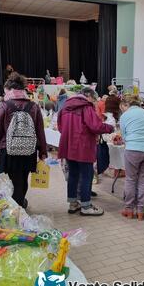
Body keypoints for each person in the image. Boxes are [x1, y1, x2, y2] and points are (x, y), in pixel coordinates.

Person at [0, 72, 47, 208]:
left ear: (9, 89)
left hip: (9, 149)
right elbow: (40, 130)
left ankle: (18, 207)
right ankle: (21, 201)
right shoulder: (33, 106)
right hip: (29, 149)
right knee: (23, 177)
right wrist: (43, 151)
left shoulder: (4, 106)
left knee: (15, 179)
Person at [58, 87, 113, 216]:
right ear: (88, 96)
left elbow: (60, 127)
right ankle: (86, 206)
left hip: (68, 146)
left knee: (73, 175)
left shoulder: (65, 107)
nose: (94, 102)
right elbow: (95, 126)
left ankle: (73, 204)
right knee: (87, 176)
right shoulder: (86, 107)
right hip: (83, 147)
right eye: (94, 99)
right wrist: (110, 127)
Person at [120, 94, 144, 221]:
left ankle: (129, 209)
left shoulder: (125, 115)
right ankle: (141, 211)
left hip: (133, 149)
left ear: (125, 105)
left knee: (130, 179)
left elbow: (124, 137)